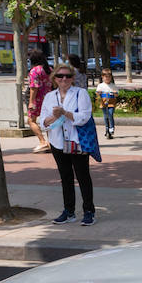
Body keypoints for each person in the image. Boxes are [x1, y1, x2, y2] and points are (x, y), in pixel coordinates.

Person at [40, 62, 98, 226]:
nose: (63, 79)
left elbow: (84, 117)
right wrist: (54, 116)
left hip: (76, 142)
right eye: (60, 76)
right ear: (54, 78)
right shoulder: (50, 97)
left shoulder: (81, 94)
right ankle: (69, 211)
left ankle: (89, 211)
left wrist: (64, 113)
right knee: (65, 177)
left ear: (73, 78)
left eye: (67, 76)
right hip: (57, 142)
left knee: (83, 176)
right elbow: (43, 121)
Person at [25, 49, 52, 153]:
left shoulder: (34, 71)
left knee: (31, 120)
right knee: (48, 121)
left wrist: (31, 101)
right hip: (48, 98)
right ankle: (51, 142)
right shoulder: (48, 69)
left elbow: (33, 87)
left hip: (38, 99)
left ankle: (42, 141)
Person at [95, 68, 119, 138]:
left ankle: (111, 127)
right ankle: (107, 128)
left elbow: (117, 94)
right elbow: (97, 93)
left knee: (110, 114)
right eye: (106, 77)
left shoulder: (113, 85)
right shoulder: (100, 85)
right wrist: (99, 93)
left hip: (111, 102)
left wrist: (115, 93)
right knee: (105, 116)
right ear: (102, 77)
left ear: (111, 77)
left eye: (109, 77)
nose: (107, 78)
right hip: (103, 102)